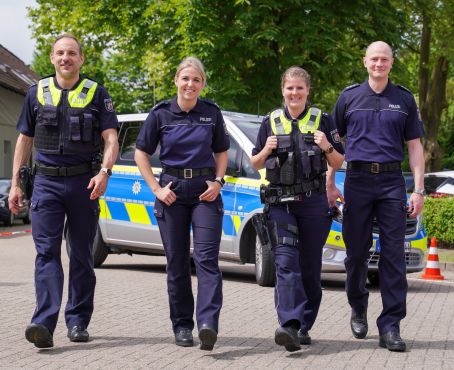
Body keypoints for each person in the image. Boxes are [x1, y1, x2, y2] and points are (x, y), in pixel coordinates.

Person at [8, 34, 119, 348]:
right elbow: (23, 140)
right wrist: (15, 182)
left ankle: (78, 321)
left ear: (81, 59)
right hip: (46, 183)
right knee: (46, 254)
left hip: (84, 183)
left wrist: (105, 173)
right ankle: (43, 324)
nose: (65, 58)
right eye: (60, 53)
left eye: (71, 53)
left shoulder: (98, 94)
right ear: (52, 57)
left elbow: (111, 139)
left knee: (81, 254)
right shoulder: (36, 93)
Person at [331, 41, 425, 352]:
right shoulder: (349, 98)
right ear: (365, 62)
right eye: (374, 59)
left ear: (392, 63)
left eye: (384, 59)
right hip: (356, 180)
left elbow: (414, 147)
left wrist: (419, 189)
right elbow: (332, 147)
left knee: (394, 255)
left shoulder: (404, 99)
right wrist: (331, 182)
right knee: (356, 253)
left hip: (391, 181)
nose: (379, 64)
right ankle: (358, 307)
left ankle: (391, 325)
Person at [134, 57, 229, 350]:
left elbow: (222, 151)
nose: (190, 85)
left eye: (196, 80)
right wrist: (156, 189)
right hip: (172, 192)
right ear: (176, 79)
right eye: (186, 79)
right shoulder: (160, 114)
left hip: (204, 193)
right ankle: (183, 326)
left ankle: (207, 324)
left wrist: (218, 181)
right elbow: (141, 153)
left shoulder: (211, 112)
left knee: (207, 260)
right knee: (176, 263)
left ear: (202, 84)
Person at [251, 66, 344, 351]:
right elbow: (255, 163)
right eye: (290, 88)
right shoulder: (270, 121)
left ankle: (304, 325)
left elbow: (339, 161)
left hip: (313, 203)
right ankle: (289, 324)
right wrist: (266, 150)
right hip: (280, 204)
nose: (294, 93)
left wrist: (327, 146)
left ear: (307, 91)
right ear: (283, 90)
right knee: (285, 263)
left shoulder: (323, 120)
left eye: (299, 88)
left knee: (309, 267)